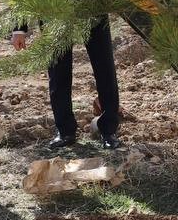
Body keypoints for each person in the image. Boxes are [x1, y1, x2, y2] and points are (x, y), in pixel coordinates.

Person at [11, 17, 121, 150]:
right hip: (52, 10)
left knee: (105, 69)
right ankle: (65, 131)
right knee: (58, 72)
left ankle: (108, 131)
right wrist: (19, 29)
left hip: (92, 6)